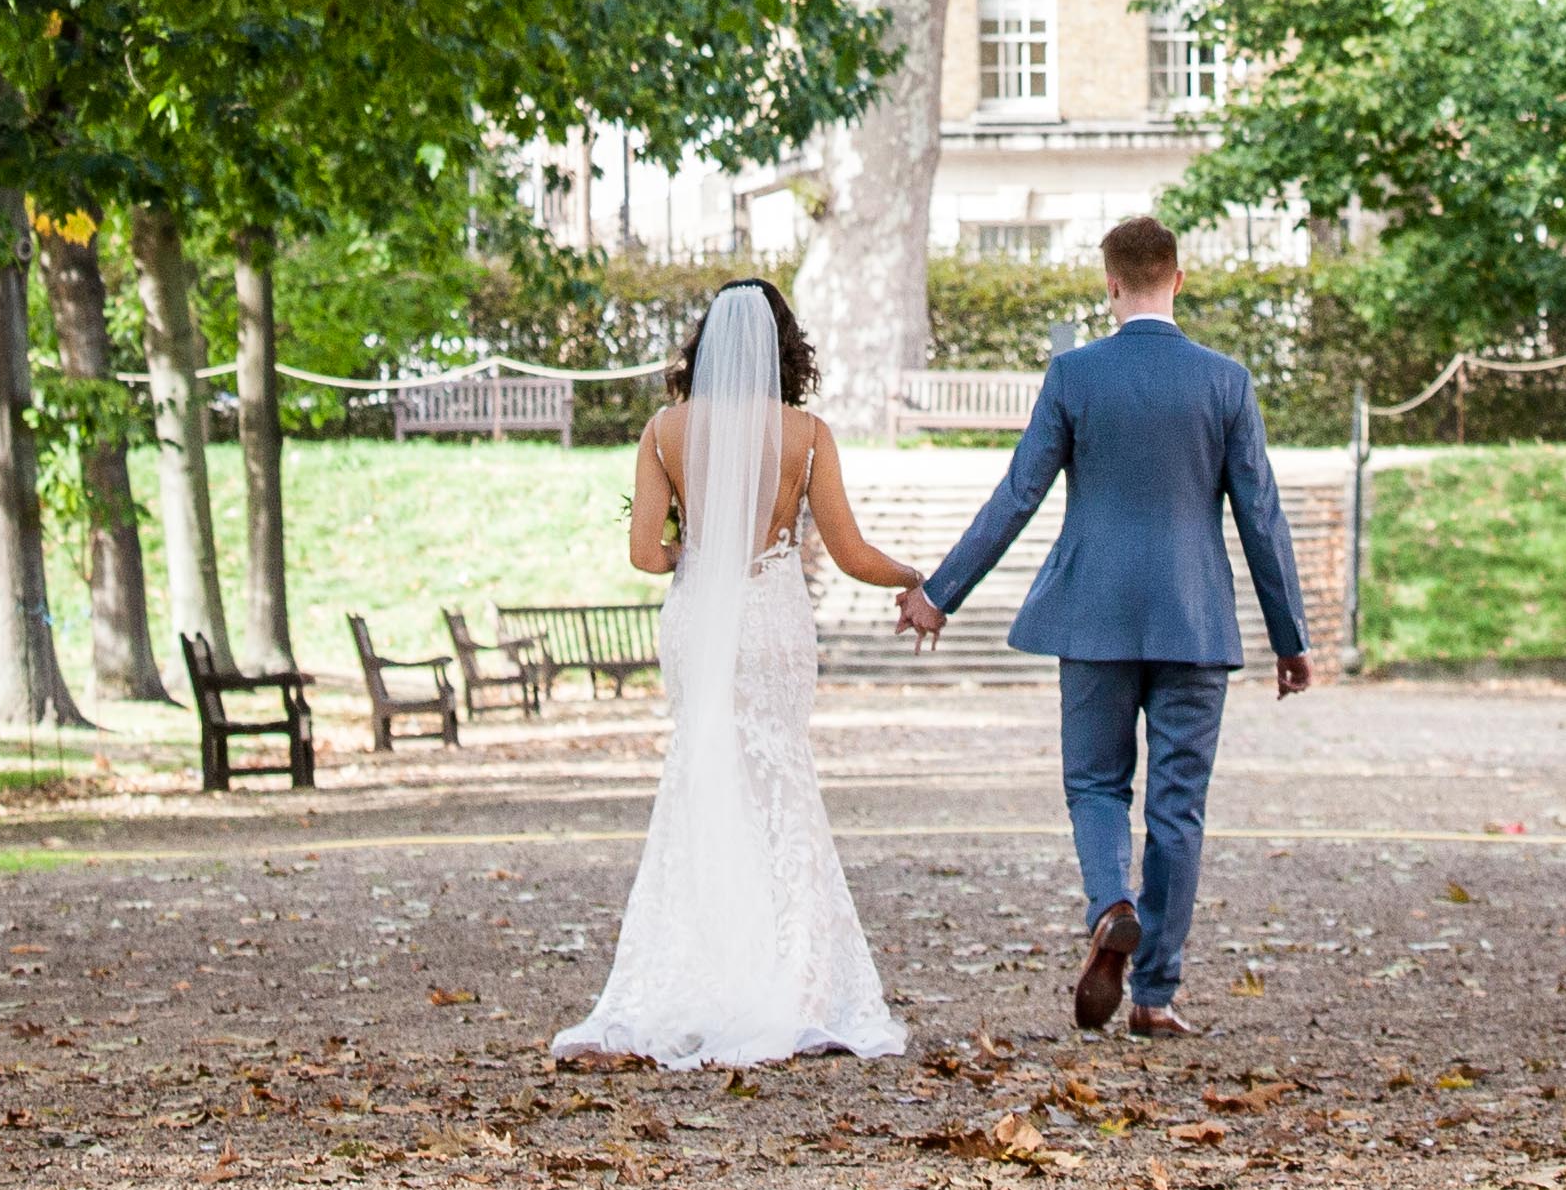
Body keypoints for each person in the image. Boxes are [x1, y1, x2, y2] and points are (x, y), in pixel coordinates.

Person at [899, 215, 1312, 1036]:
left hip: (1092, 616)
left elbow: (1018, 494)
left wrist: (940, 593)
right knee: (1178, 809)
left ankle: (1109, 903)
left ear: (1111, 285)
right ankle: (1156, 995)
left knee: (1094, 784)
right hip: (1195, 621)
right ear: (1179, 281)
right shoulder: (1225, 382)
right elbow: (1260, 516)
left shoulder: (1074, 375)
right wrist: (1289, 635)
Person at [552, 276, 927, 1067]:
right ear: (783, 348)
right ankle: (794, 982)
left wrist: (697, 549)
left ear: (704, 345)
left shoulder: (665, 430)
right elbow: (852, 552)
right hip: (774, 621)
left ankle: (695, 973)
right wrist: (915, 577)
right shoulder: (806, 434)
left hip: (700, 620)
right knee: (783, 782)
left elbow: (645, 553)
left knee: (700, 776)